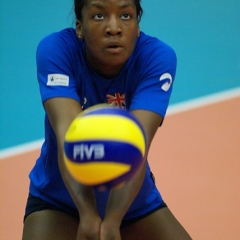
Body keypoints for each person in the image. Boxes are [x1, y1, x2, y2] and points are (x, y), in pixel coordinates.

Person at [22, 0, 192, 239]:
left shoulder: (157, 57)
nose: (114, 27)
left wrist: (112, 219)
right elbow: (70, 139)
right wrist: (88, 213)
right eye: (99, 16)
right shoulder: (56, 50)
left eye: (125, 15)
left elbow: (136, 143)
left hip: (132, 201)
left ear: (137, 25)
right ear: (79, 28)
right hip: (59, 199)